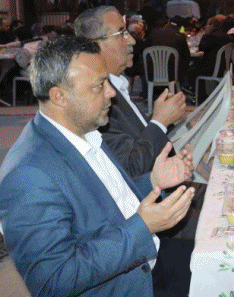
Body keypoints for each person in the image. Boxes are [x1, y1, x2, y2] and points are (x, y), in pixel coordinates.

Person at [0, 36, 196, 296]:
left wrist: (153, 180)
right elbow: (52, 280)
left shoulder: (83, 130)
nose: (111, 92)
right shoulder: (27, 175)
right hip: (123, 286)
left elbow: (109, 200)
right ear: (59, 96)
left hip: (148, 260)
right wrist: (142, 227)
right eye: (99, 85)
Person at [74, 6, 187, 177]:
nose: (132, 41)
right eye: (122, 33)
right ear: (95, 45)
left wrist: (163, 118)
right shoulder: (97, 101)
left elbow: (135, 131)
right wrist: (160, 122)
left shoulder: (116, 85)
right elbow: (130, 169)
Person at [147, 18, 192, 91]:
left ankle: (146, 93)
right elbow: (187, 57)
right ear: (180, 27)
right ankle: (181, 88)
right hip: (172, 75)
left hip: (152, 73)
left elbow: (145, 51)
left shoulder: (153, 33)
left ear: (168, 24)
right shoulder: (181, 36)